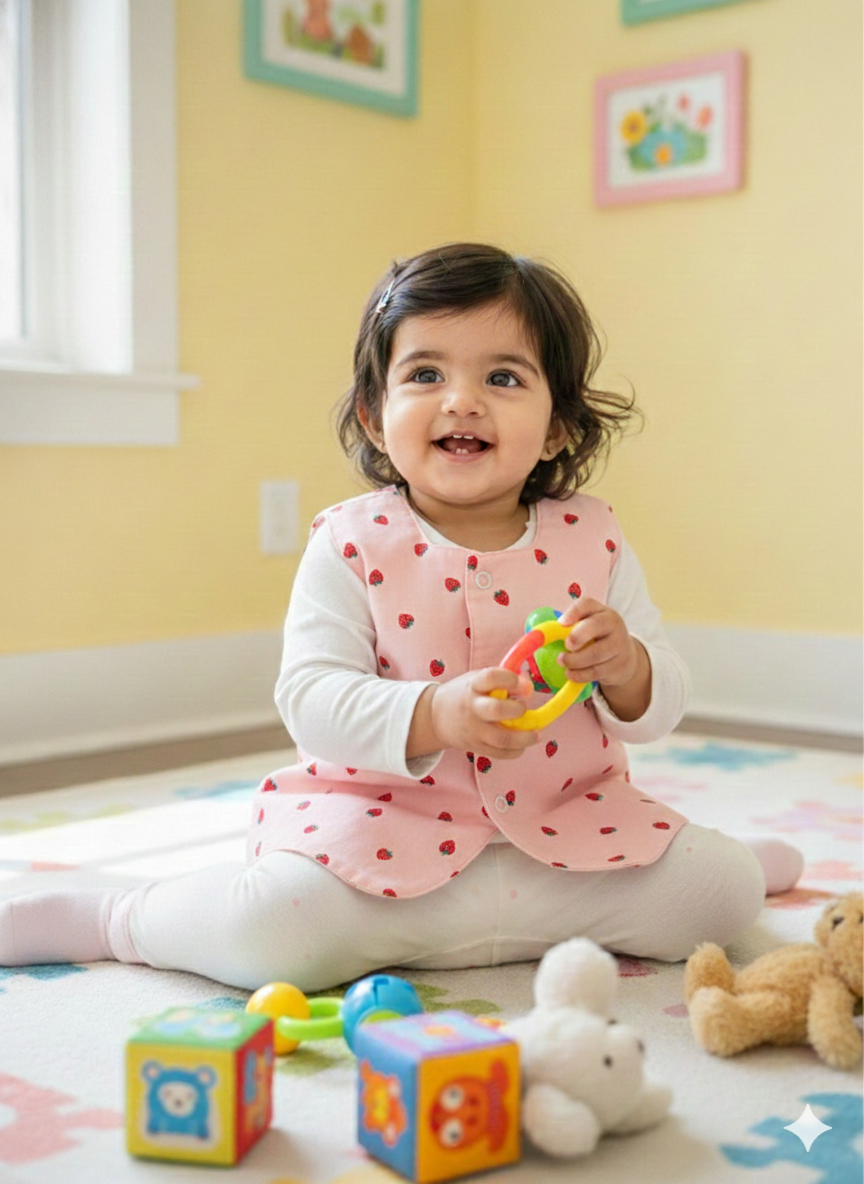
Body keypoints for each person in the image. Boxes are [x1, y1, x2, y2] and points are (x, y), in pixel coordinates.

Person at [0, 244, 802, 991]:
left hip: (566, 844)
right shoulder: (351, 542)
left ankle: (697, 863)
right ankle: (116, 917)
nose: (462, 400)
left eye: (505, 379)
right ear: (376, 411)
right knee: (270, 932)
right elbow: (311, 699)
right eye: (425, 374)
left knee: (721, 895)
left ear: (558, 423)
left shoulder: (593, 537)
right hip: (385, 843)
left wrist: (629, 669)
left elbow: (660, 707)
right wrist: (433, 713)